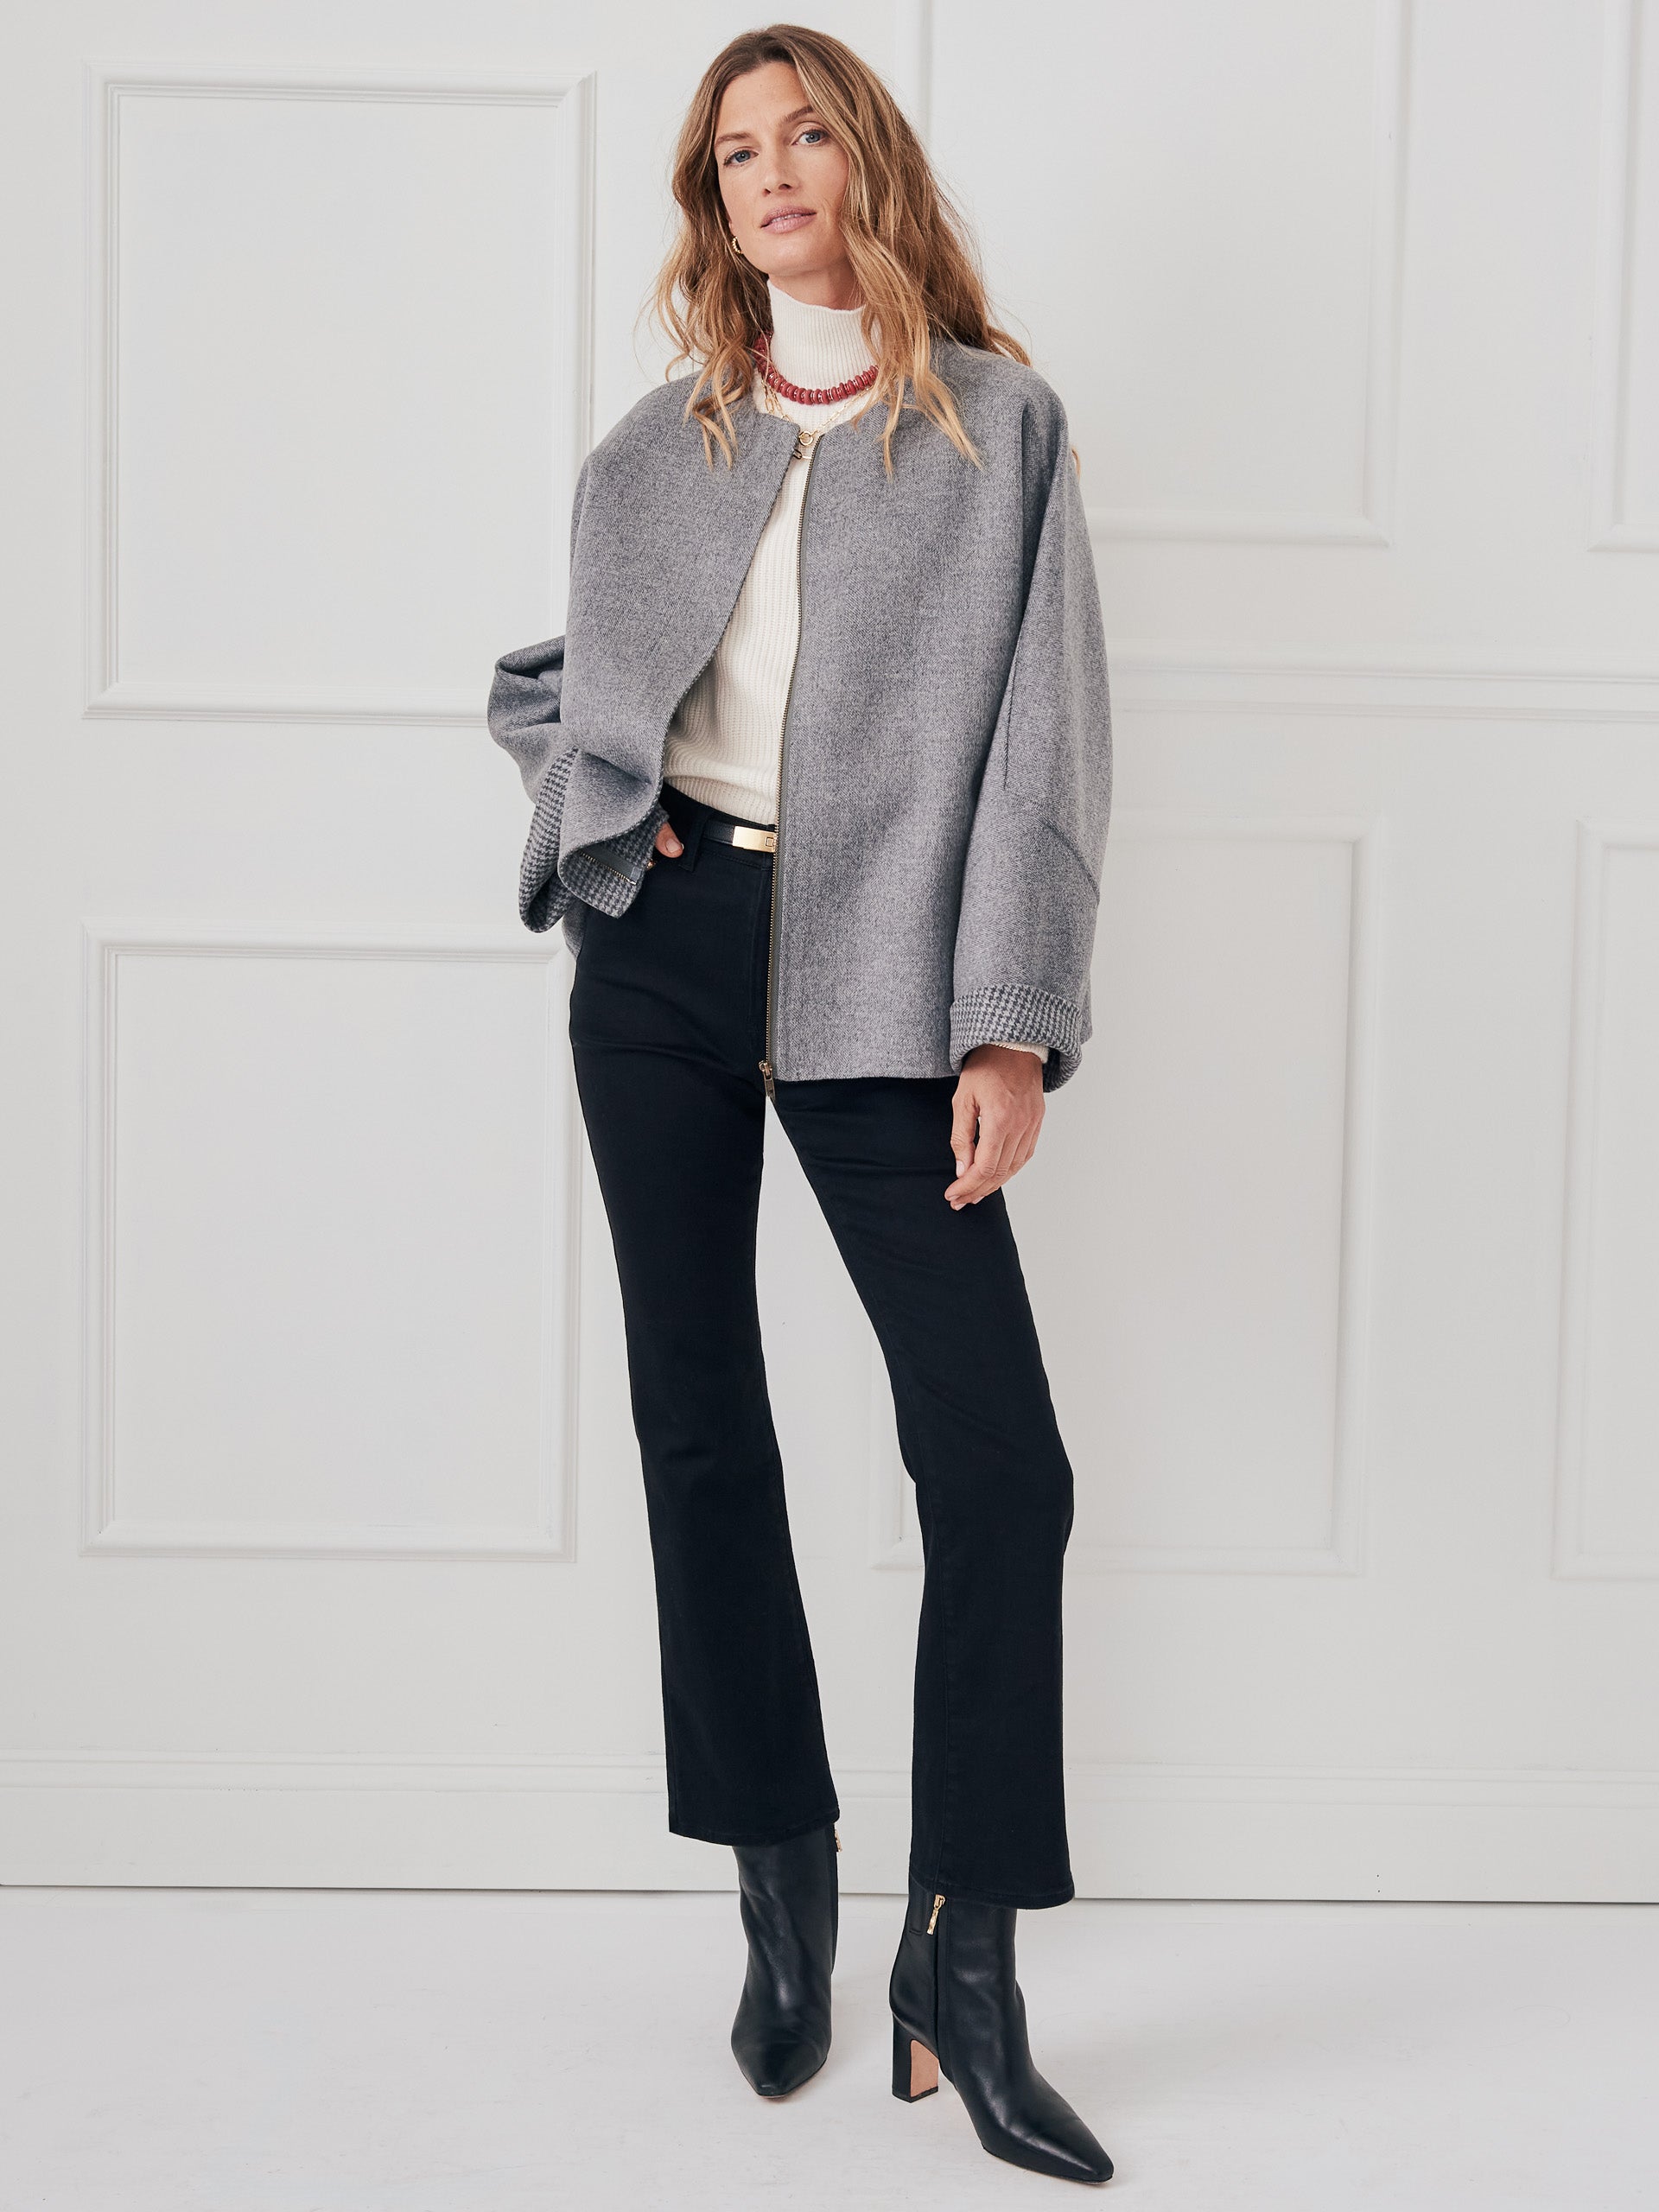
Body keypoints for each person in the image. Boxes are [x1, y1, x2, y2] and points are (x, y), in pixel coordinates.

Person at [487, 24, 1113, 2188]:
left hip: (886, 978)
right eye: (735, 152)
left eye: (805, 133)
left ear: (868, 163)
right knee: (700, 1414)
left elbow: (1044, 744)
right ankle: (779, 1866)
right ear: (712, 202)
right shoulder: (657, 447)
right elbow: (553, 683)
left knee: (1001, 1461)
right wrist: (604, 812)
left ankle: (970, 1956)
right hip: (660, 960)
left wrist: (1008, 1023)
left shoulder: (999, 427)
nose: (771, 174)